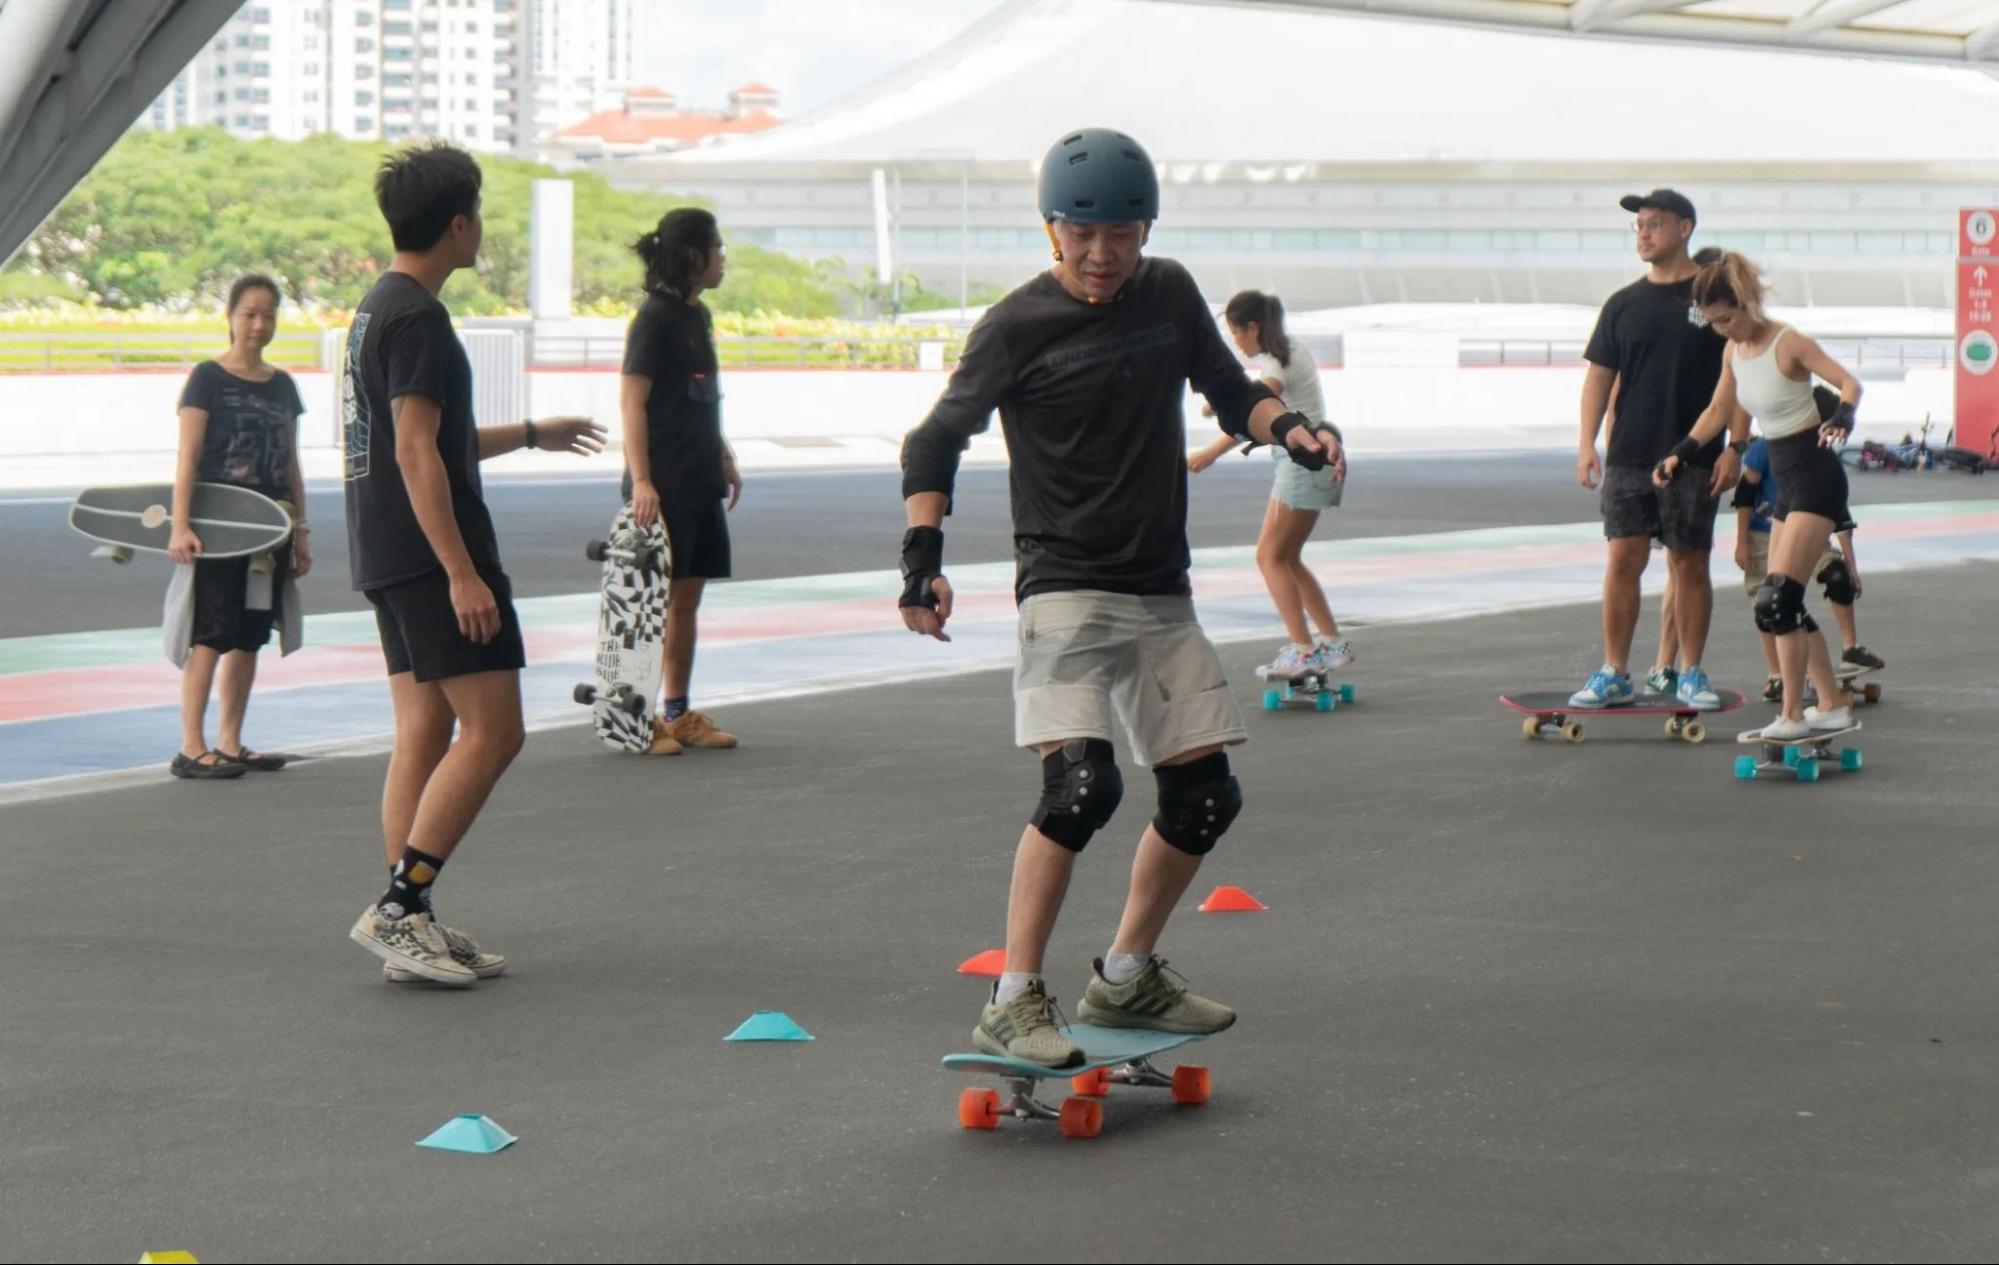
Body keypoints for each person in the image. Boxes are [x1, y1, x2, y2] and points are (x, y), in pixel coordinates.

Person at [899, 128, 1342, 1068]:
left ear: (1146, 230)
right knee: (1082, 787)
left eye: (1123, 234)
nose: (1103, 255)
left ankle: (1127, 972)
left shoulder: (1169, 292)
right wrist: (921, 557)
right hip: (1061, 585)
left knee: (1203, 797)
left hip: (1157, 588)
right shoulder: (1015, 326)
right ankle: (1012, 995)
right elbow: (932, 440)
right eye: (1082, 233)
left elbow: (1229, 391)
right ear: (1050, 228)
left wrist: (1291, 430)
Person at [342, 143, 605, 986]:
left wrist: (530, 432)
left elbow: (419, 442)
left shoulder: (376, 307)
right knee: (496, 729)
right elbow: (418, 454)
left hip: (384, 547)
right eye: (479, 215)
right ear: (458, 224)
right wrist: (461, 570)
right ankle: (399, 905)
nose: (481, 228)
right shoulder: (418, 316)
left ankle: (406, 919)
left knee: (423, 729)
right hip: (428, 554)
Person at [1655, 251, 1861, 738]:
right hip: (1785, 479)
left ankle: (1792, 715)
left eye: (1727, 318)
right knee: (1779, 601)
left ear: (1746, 303)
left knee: (1779, 599)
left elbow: (1849, 383)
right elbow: (1719, 409)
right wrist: (1679, 454)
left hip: (1814, 473)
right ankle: (1830, 703)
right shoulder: (1734, 352)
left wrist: (1842, 416)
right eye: (1714, 322)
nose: (1722, 328)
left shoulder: (1788, 343)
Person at [1574, 193, 1745, 711]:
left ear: (1685, 227)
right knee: (1622, 560)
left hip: (1694, 456)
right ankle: (1615, 672)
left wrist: (1736, 445)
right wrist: (1586, 443)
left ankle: (1689, 671)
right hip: (1629, 456)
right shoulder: (1623, 304)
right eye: (1638, 226)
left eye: (1654, 224)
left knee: (1689, 564)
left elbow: (1742, 370)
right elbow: (1599, 377)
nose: (1644, 234)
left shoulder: (1715, 294)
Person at [166, 275, 311, 779]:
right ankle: (191, 746)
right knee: (211, 632)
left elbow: (290, 462)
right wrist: (180, 525)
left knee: (250, 635)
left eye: (268, 314)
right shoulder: (207, 378)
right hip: (219, 527)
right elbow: (187, 458)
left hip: (270, 531)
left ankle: (229, 740)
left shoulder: (284, 385)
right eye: (249, 313)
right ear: (230, 315)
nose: (259, 324)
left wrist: (302, 530)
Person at [620, 207, 742, 756]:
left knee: (686, 600)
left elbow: (701, 393)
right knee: (651, 601)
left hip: (698, 479)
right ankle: (636, 716)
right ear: (694, 256)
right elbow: (632, 401)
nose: (723, 260)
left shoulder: (699, 315)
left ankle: (676, 711)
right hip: (662, 485)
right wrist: (642, 481)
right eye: (717, 250)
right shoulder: (654, 318)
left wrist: (722, 451)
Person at [1187, 289, 1350, 680]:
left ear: (1252, 327)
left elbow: (1258, 412)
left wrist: (1210, 452)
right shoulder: (1290, 349)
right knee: (1288, 557)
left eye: (1235, 333)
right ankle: (1329, 641)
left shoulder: (1274, 360)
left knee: (1269, 557)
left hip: (1303, 462)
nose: (1236, 344)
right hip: (1315, 461)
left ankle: (1304, 650)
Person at [1733, 400, 1882, 702]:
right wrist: (1741, 541)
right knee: (1770, 603)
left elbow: (1840, 514)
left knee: (1837, 578)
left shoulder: (1824, 457)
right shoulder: (1768, 447)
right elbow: (1745, 492)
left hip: (1808, 532)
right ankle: (1777, 675)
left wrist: (1851, 567)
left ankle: (1850, 650)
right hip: (1764, 534)